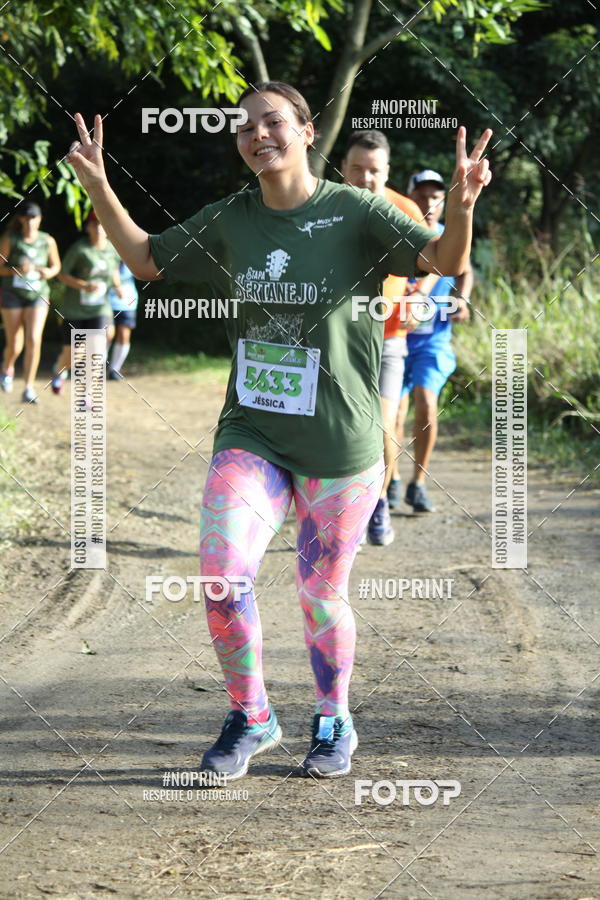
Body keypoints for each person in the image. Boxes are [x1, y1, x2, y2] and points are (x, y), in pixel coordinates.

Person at [66, 82, 491, 780]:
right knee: (221, 575)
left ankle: (333, 719)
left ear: (307, 130)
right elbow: (146, 260)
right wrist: (99, 186)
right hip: (253, 432)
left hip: (341, 441)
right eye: (244, 127)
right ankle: (252, 715)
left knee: (320, 594)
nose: (257, 134)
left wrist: (465, 206)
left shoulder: (357, 210)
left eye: (272, 122)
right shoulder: (232, 218)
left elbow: (443, 261)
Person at [341, 130, 435, 545]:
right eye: (357, 169)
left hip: (388, 336)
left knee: (382, 423)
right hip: (336, 338)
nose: (365, 178)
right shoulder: (322, 207)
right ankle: (341, 510)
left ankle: (377, 503)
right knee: (337, 428)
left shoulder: (405, 209)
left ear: (387, 171)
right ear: (343, 168)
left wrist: (417, 296)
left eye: (374, 171)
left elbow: (435, 260)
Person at [394, 169, 474, 513]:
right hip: (395, 339)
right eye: (422, 195)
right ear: (409, 196)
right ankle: (392, 478)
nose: (429, 202)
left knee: (426, 402)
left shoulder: (447, 235)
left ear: (443, 201)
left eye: (436, 196)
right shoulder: (395, 233)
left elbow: (465, 269)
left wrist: (462, 299)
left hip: (432, 343)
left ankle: (419, 483)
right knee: (395, 413)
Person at [51, 211, 119, 394]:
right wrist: (84, 285)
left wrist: (118, 286)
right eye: (94, 224)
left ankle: (88, 394)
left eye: (102, 224)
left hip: (100, 309)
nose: (98, 228)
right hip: (74, 310)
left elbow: (113, 270)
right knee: (74, 354)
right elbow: (62, 274)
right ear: (88, 227)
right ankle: (59, 368)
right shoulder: (79, 249)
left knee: (96, 350)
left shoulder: (113, 250)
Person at [0, 202, 61, 403]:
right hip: (13, 294)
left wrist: (47, 272)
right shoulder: (10, 238)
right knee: (14, 343)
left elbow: (56, 267)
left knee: (34, 339)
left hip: (38, 294)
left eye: (33, 218)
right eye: (26, 218)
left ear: (40, 219)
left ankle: (28, 388)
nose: (30, 222)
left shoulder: (47, 241)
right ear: (20, 219)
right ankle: (7, 367)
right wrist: (16, 270)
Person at [107, 258, 139, 379]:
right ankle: (97, 367)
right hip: (104, 301)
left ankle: (115, 370)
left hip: (127, 302)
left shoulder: (131, 253)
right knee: (106, 335)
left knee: (124, 335)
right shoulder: (105, 253)